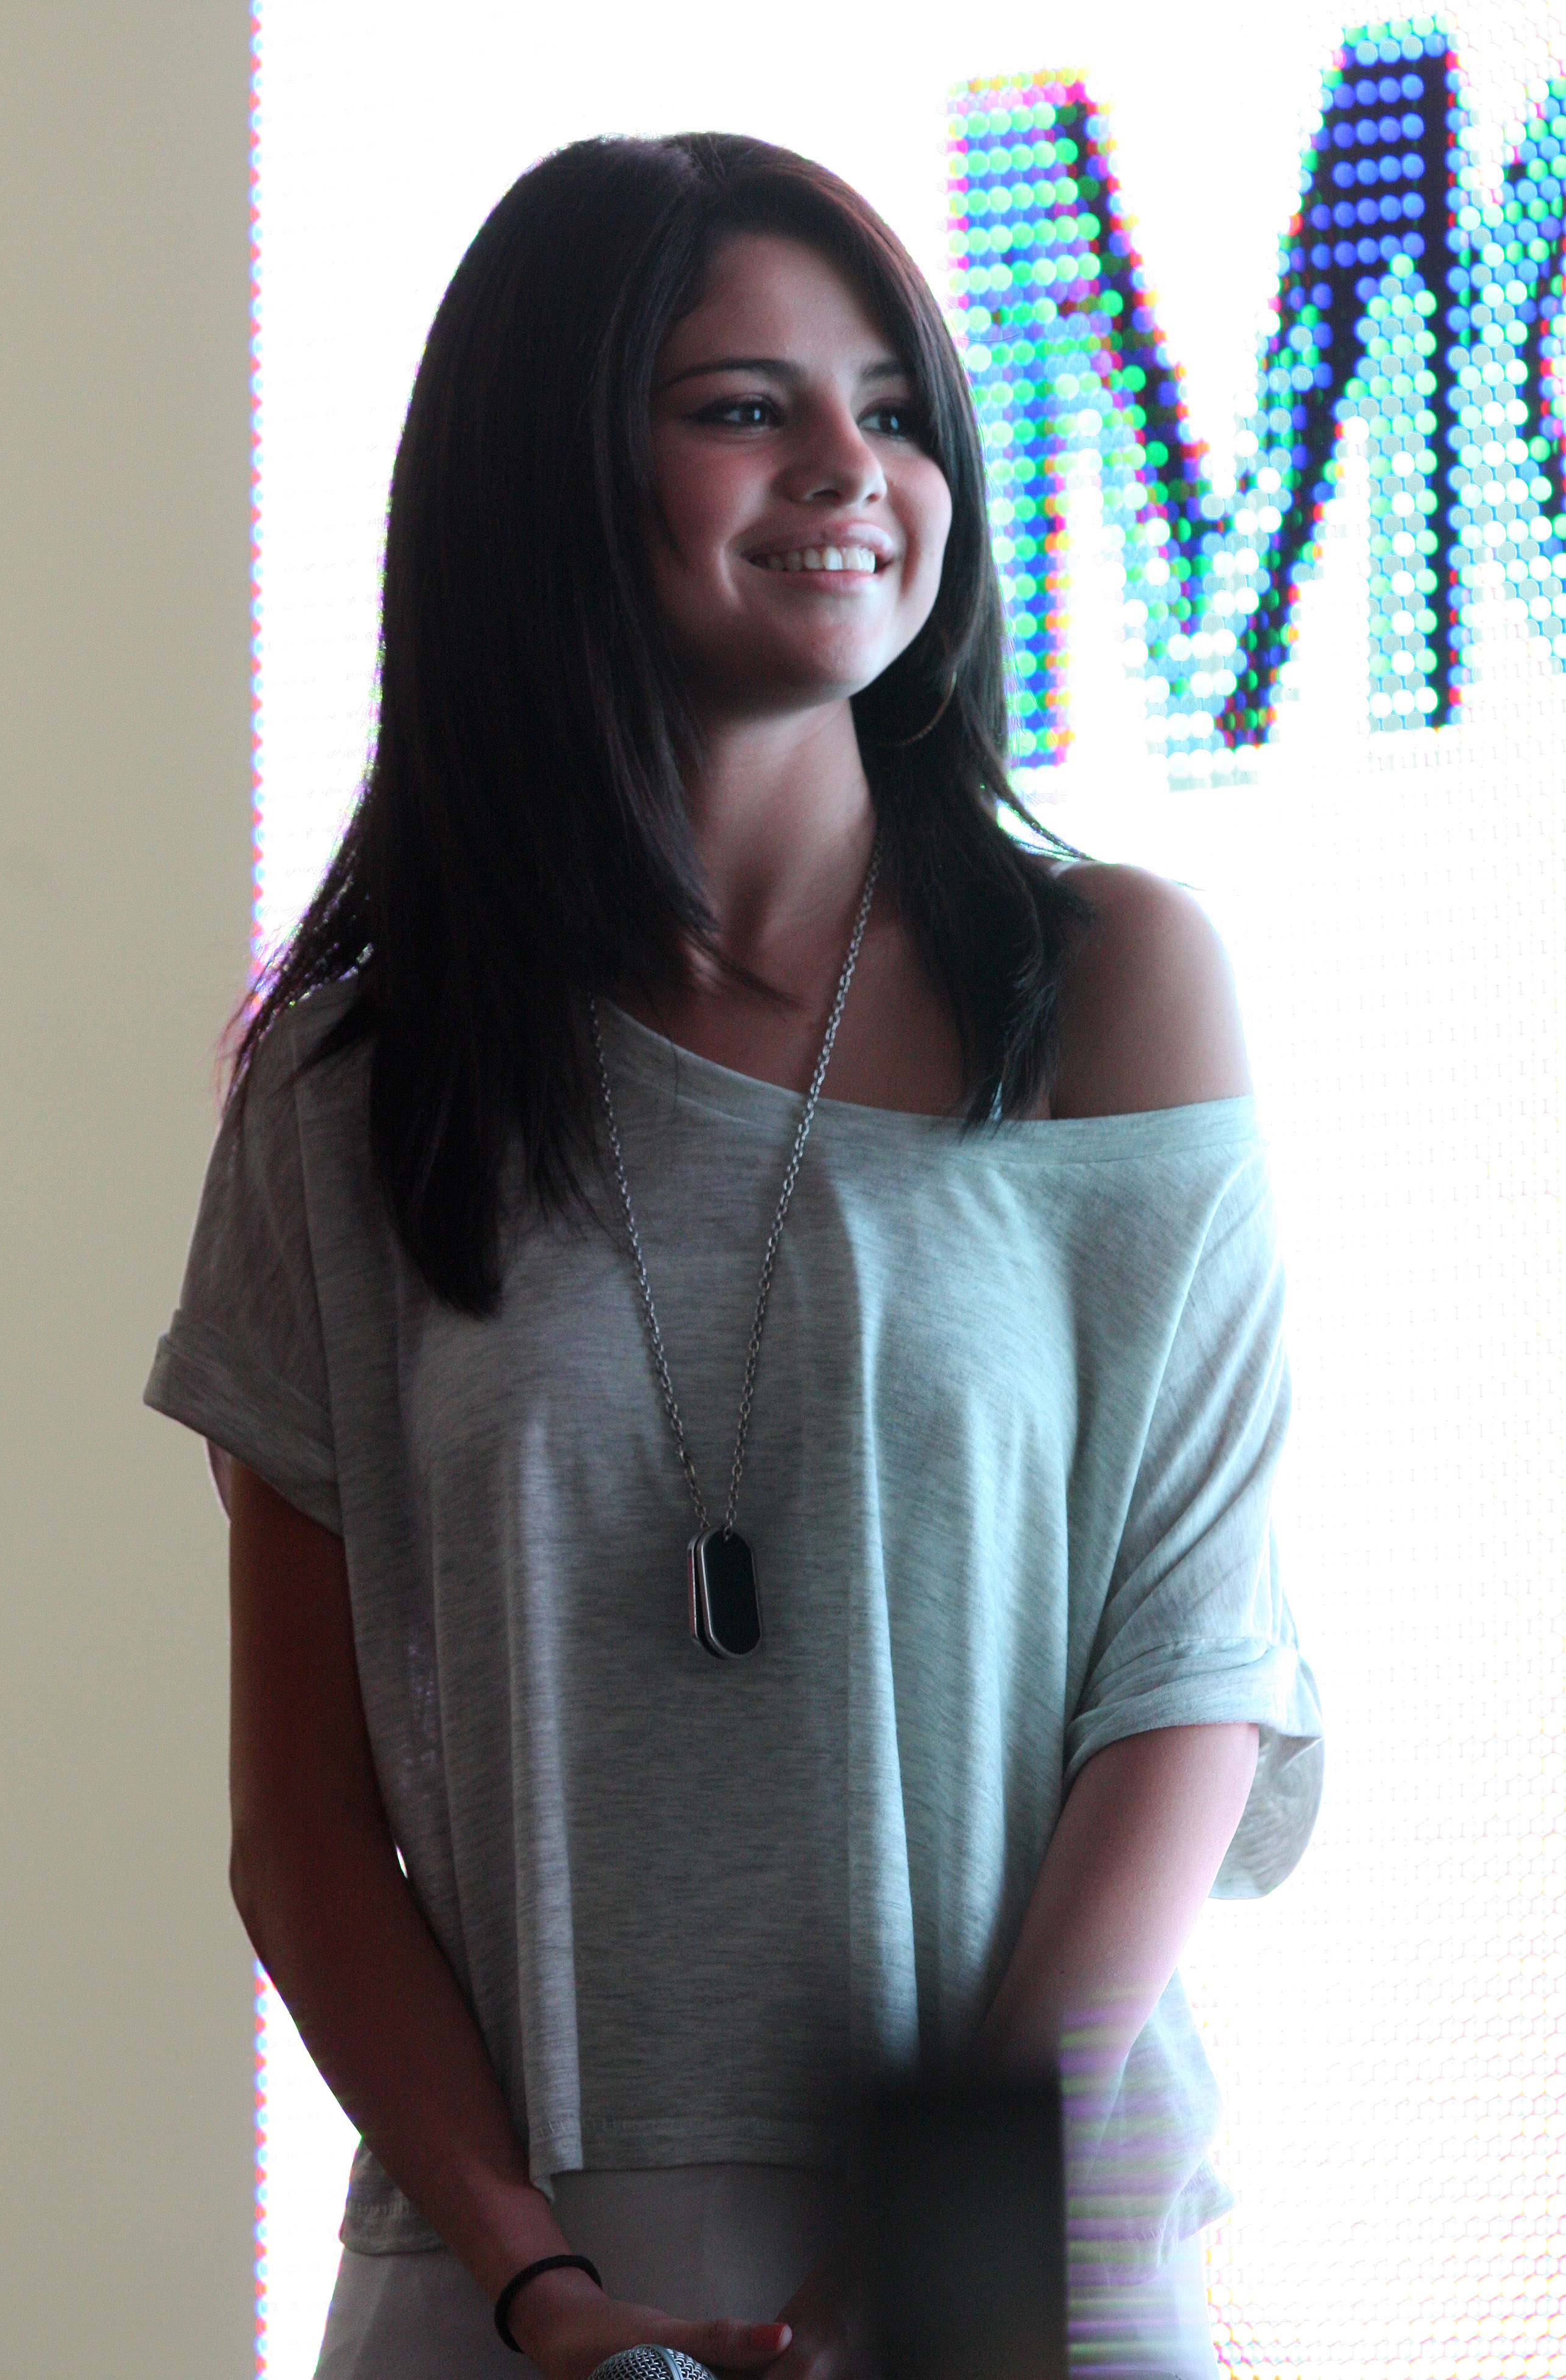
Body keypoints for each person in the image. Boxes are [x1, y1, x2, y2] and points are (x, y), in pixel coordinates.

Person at [145, 131, 1323, 2380]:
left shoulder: (1111, 985)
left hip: (1004, 2233)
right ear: (552, 474)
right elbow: (301, 1821)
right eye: (744, 407)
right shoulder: (350, 1086)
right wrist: (543, 2291)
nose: (853, 472)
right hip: (513, 2284)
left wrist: (933, 2256)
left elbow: (1191, 1675)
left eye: (892, 409)